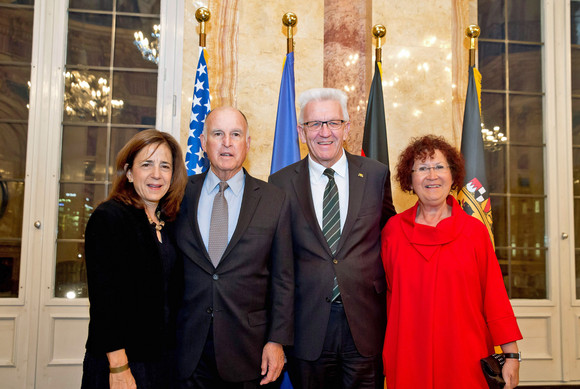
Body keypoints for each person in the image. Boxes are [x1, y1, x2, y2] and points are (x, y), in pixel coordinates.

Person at [269, 88, 396, 388]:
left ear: (347, 128)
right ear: (301, 132)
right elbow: (278, 261)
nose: (324, 132)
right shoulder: (281, 183)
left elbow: (392, 238)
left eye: (333, 123)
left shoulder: (376, 175)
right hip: (307, 328)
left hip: (365, 325)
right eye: (314, 124)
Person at [381, 134, 523, 389]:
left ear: (453, 175)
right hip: (408, 354)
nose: (432, 176)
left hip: (465, 355)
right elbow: (386, 296)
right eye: (422, 168)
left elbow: (494, 296)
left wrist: (511, 355)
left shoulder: (474, 232)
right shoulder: (392, 231)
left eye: (439, 167)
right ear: (410, 179)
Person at [175, 106, 294, 388]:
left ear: (247, 144)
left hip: (249, 353)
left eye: (235, 134)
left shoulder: (274, 199)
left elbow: (284, 279)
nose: (227, 142)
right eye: (218, 134)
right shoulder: (178, 195)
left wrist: (277, 341)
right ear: (203, 142)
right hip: (187, 350)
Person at [82, 129, 188, 389]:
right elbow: (104, 302)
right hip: (122, 362)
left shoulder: (170, 223)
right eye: (146, 164)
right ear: (129, 172)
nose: (156, 174)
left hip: (163, 361)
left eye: (165, 166)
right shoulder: (109, 218)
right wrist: (119, 366)